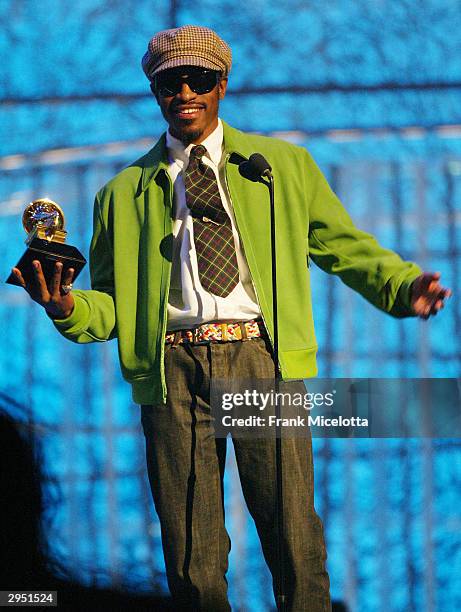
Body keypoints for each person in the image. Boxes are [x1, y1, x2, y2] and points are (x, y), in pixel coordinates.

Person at [13, 25, 451, 612]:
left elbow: (342, 244)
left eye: (199, 79)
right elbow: (110, 306)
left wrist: (402, 285)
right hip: (172, 370)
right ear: (155, 91)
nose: (185, 92)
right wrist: (66, 306)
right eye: (171, 82)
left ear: (222, 85)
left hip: (260, 359)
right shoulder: (122, 193)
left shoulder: (279, 167)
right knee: (192, 558)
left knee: (294, 540)